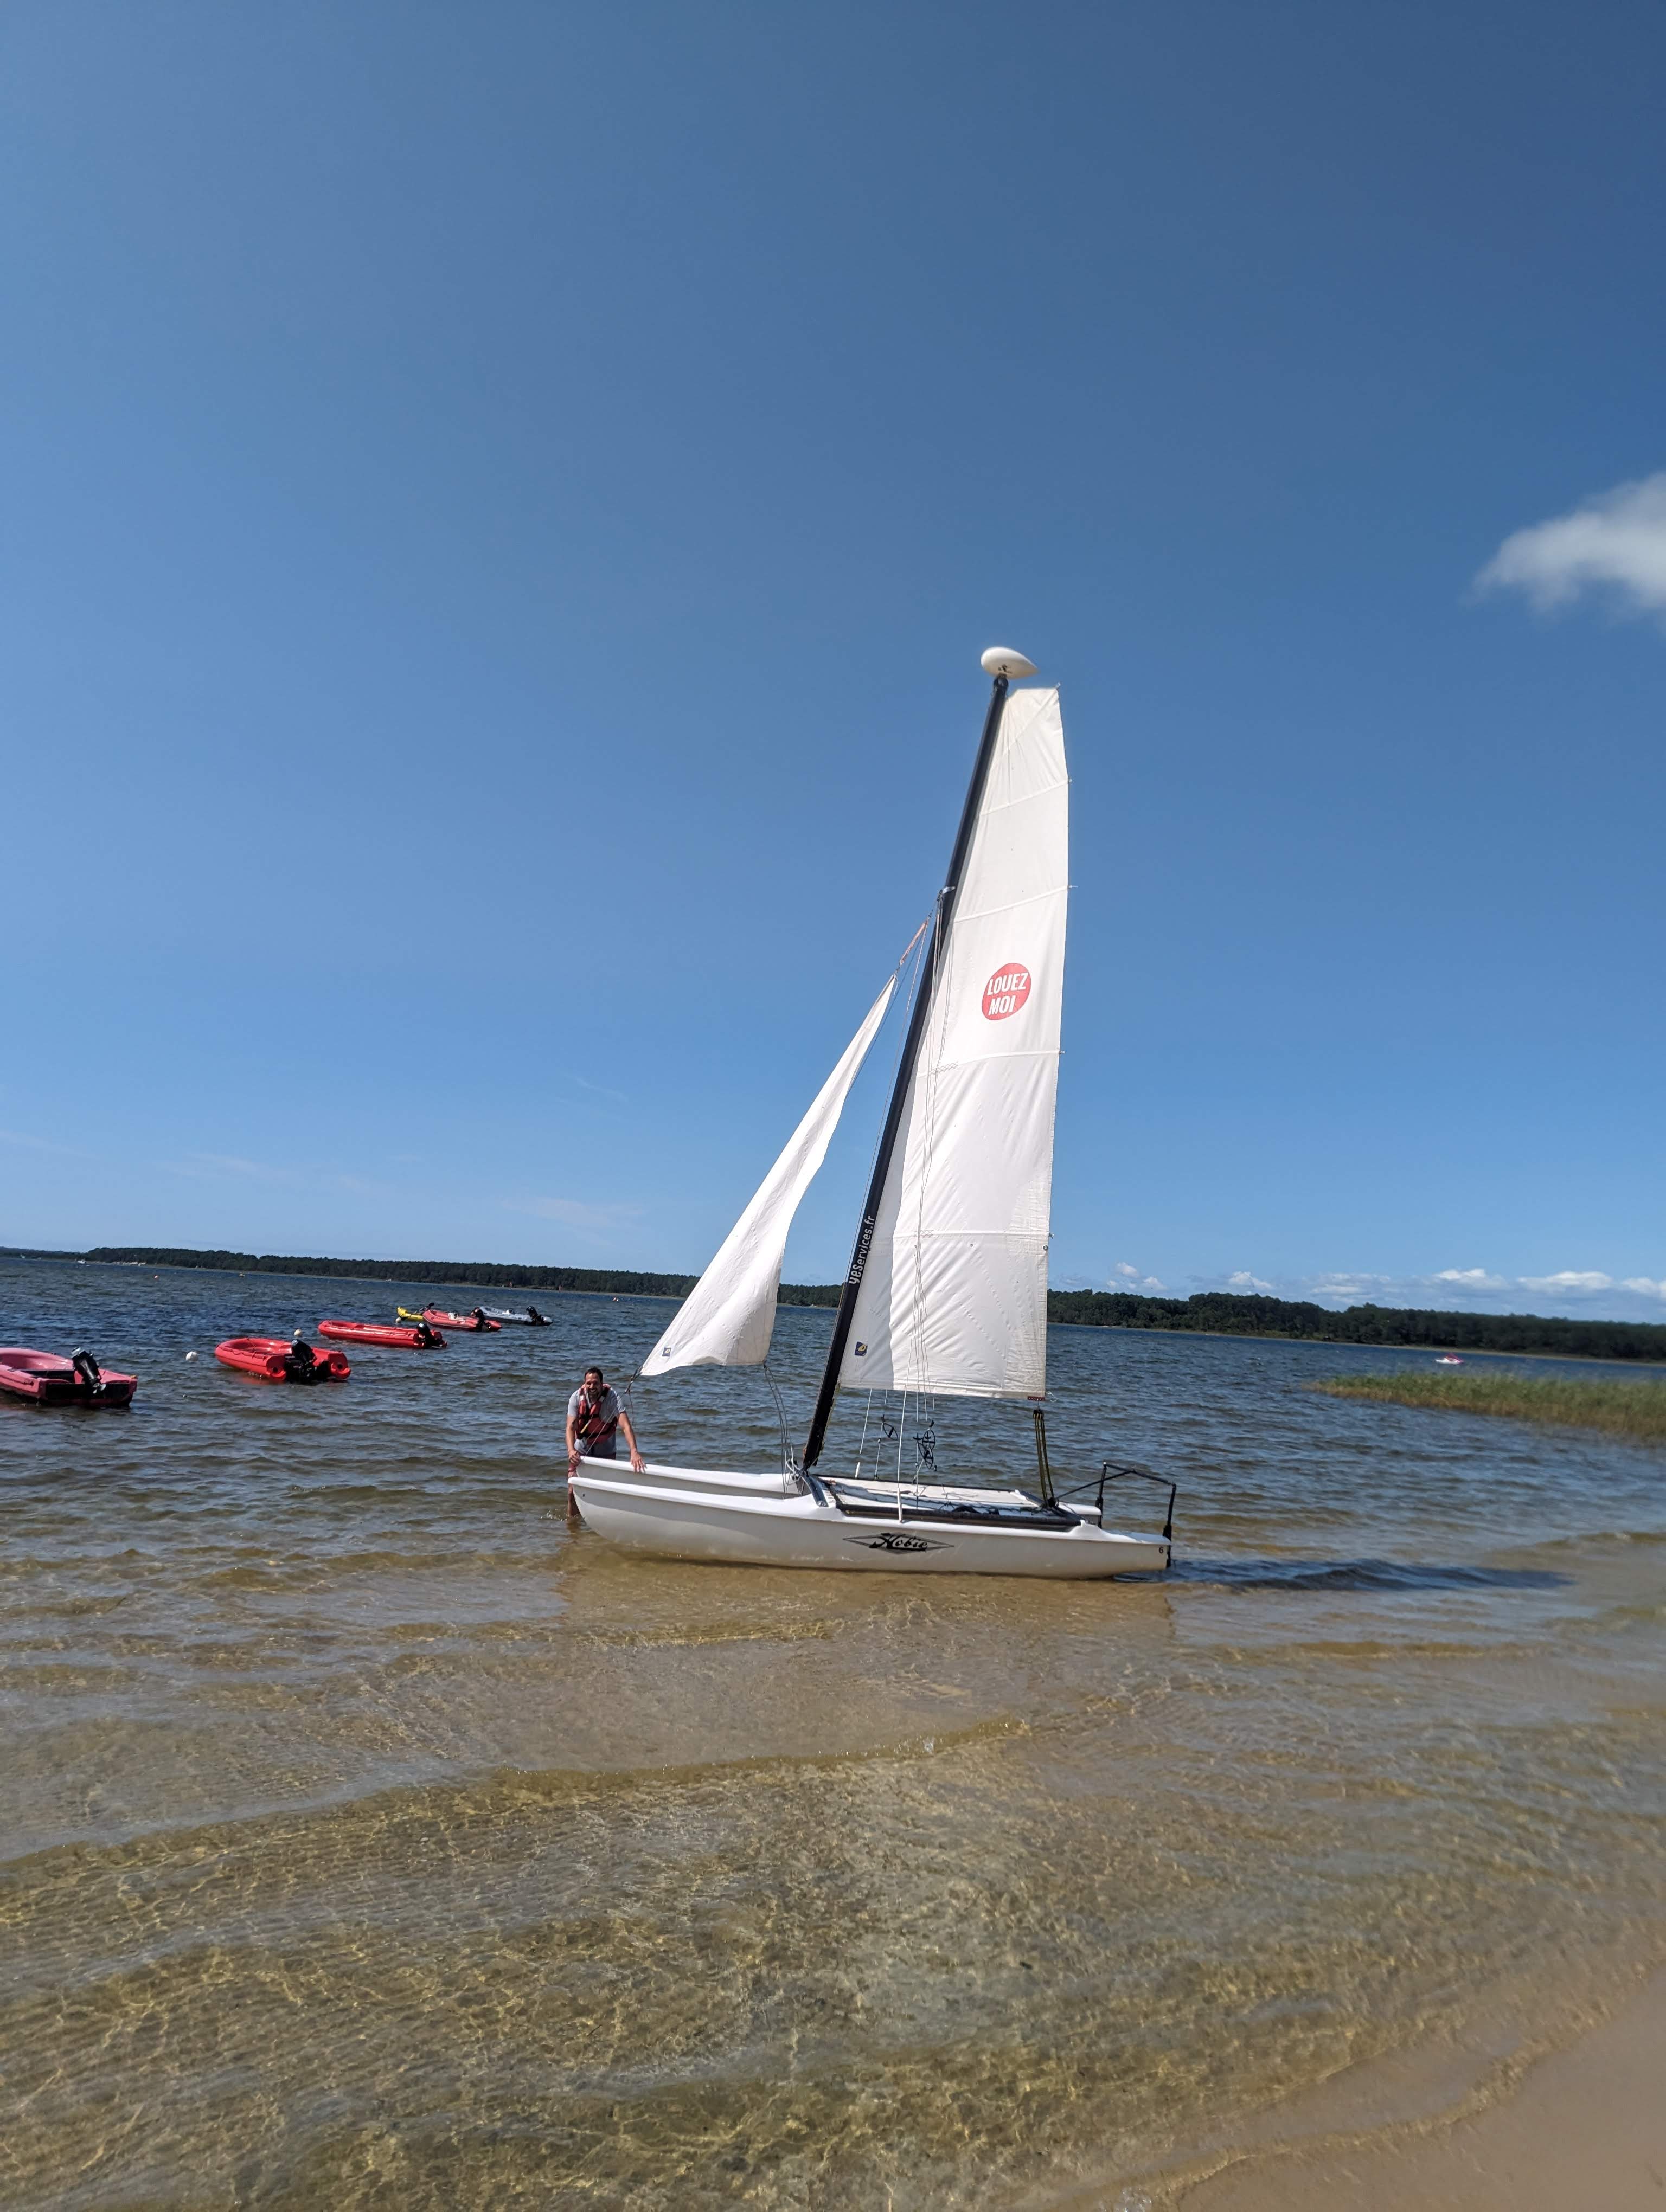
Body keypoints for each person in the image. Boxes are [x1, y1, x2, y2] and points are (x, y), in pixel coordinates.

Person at [565, 1365, 644, 1520]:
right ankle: (572, 1525)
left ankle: (602, 1522)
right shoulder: (576, 1398)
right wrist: (570, 1450)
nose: (592, 1387)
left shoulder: (613, 1398)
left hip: (606, 1449)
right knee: (572, 1491)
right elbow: (570, 1427)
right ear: (584, 1384)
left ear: (602, 1384)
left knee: (604, 1492)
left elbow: (626, 1426)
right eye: (588, 1383)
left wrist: (634, 1451)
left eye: (595, 1383)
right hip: (581, 1449)